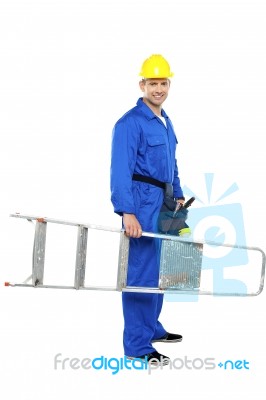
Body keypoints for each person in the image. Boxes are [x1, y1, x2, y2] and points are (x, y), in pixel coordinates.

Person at [110, 54, 185, 366]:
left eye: (163, 82)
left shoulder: (165, 122)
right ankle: (138, 346)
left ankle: (152, 326)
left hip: (165, 203)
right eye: (152, 83)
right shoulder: (129, 123)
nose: (158, 88)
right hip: (141, 203)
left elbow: (173, 165)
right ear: (142, 84)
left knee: (161, 270)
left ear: (169, 84)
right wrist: (127, 211)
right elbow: (120, 170)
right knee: (140, 272)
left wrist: (178, 195)